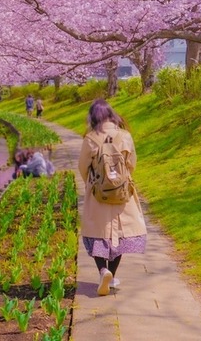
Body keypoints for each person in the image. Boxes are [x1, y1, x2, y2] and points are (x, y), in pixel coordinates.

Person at [78, 98, 147, 296]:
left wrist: (92, 184)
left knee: (96, 234)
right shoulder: (124, 136)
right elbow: (131, 164)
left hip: (99, 194)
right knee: (121, 236)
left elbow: (83, 167)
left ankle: (103, 271)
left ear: (93, 117)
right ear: (111, 114)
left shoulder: (91, 138)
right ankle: (112, 274)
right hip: (122, 194)